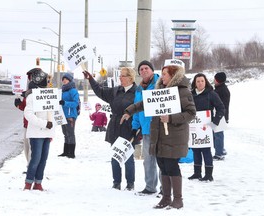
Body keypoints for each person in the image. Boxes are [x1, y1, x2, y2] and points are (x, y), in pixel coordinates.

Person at [121, 59, 196, 209]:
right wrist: (129, 111)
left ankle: (178, 199)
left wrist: (171, 118)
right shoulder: (158, 90)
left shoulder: (183, 91)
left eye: (165, 74)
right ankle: (166, 198)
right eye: (162, 74)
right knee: (162, 164)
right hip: (158, 134)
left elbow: (191, 113)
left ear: (173, 76)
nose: (162, 77)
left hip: (174, 136)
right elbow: (144, 104)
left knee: (171, 166)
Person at [82, 67, 137, 191]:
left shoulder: (137, 92)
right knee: (115, 155)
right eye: (120, 76)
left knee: (128, 157)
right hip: (115, 127)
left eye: (123, 76)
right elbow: (100, 91)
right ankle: (116, 182)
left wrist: (137, 129)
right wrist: (91, 79)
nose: (120, 78)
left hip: (129, 128)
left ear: (130, 78)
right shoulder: (115, 91)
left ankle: (130, 183)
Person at [188, 73, 225, 182]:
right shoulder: (191, 95)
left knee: (206, 150)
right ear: (195, 83)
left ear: (205, 82)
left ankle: (209, 174)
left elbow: (221, 108)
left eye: (202, 81)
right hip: (194, 126)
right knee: (195, 150)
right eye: (198, 81)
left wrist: (215, 122)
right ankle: (197, 172)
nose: (200, 83)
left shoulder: (211, 94)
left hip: (206, 127)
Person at [23, 68, 55, 191]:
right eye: (46, 79)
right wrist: (44, 124)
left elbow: (52, 112)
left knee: (43, 159)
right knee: (35, 158)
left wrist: (59, 105)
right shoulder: (32, 96)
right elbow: (29, 114)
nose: (47, 82)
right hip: (36, 133)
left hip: (47, 133)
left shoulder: (48, 94)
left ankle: (38, 183)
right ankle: (28, 183)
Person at [132, 60, 160, 195]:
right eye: (141, 69)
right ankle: (150, 187)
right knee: (148, 160)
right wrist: (135, 126)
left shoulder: (160, 84)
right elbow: (137, 109)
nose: (143, 71)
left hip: (161, 129)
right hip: (146, 129)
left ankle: (165, 189)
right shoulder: (139, 89)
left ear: (152, 70)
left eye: (146, 68)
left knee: (162, 160)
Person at [14, 69, 34, 170]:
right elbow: (25, 107)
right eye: (29, 77)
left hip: (35, 124)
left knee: (32, 147)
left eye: (31, 77)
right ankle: (28, 165)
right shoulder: (27, 92)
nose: (29, 79)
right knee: (26, 147)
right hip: (26, 123)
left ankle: (31, 167)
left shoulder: (40, 91)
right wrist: (18, 103)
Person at [58, 73, 80, 159]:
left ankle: (71, 153)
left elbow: (75, 103)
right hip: (63, 115)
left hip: (70, 115)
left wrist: (65, 103)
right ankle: (66, 151)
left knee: (70, 133)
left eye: (66, 79)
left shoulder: (73, 90)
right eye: (63, 79)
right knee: (65, 133)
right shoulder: (62, 90)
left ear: (70, 80)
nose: (64, 81)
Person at [213, 72, 231, 160]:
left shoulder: (220, 90)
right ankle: (221, 149)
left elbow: (220, 105)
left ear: (218, 80)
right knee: (218, 133)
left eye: (215, 79)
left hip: (219, 115)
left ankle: (219, 154)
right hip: (222, 115)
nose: (213, 81)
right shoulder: (222, 89)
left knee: (218, 134)